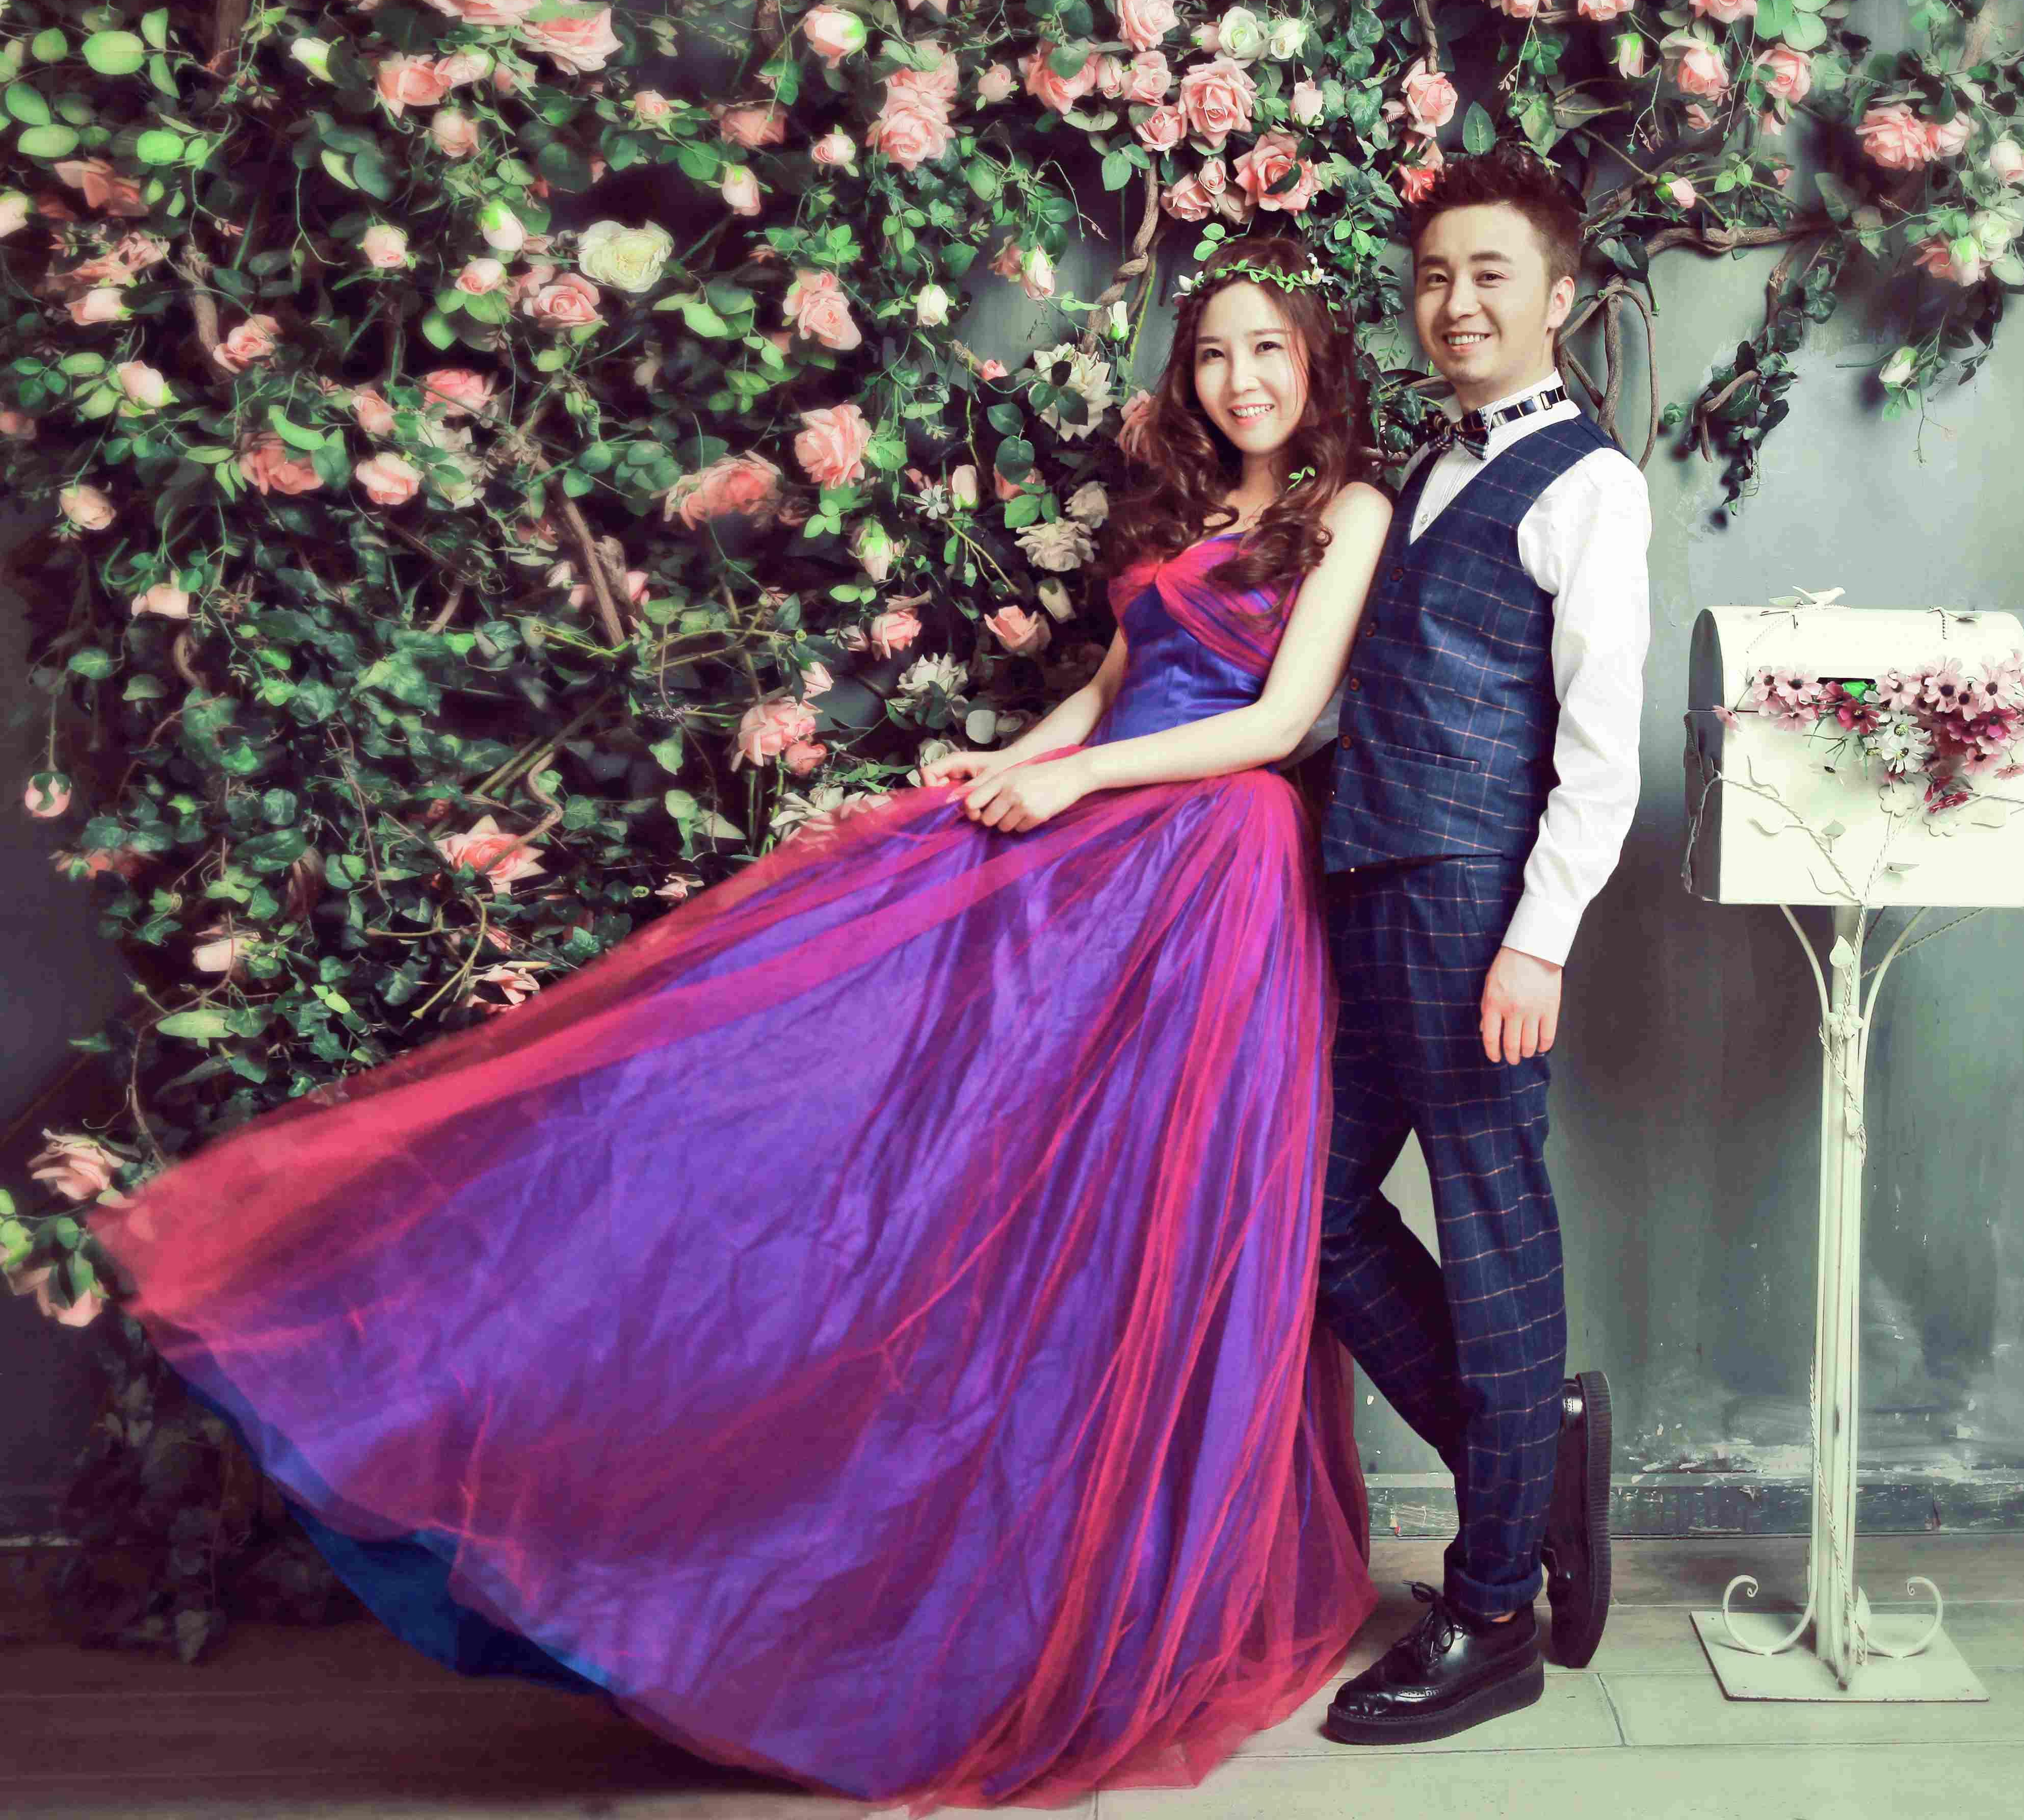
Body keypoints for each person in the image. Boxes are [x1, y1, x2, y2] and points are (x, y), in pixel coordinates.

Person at [89, 236, 1394, 1812]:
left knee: (1138, 1209)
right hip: (1103, 823)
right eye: (1215, 352)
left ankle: (1115, 1585)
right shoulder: (1178, 513)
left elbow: (1279, 721)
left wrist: (1076, 785)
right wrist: (1007, 768)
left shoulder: (1349, 512)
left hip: (1213, 863)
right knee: (923, 1150)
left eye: (1268, 350)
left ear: (1314, 364)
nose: (1241, 378)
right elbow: (1114, 690)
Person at [1312, 147, 1652, 1745]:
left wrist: (1539, 943)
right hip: (1365, 885)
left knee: (1493, 1234)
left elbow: (1600, 747)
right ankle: (1531, 1473)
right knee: (1310, 1210)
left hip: (1472, 911)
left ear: (1559, 296)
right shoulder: (1425, 466)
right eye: (1435, 276)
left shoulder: (1588, 485)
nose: (1455, 302)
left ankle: (1494, 1607)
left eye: (1490, 274)